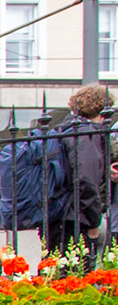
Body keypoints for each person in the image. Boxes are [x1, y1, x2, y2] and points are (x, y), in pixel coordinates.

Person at [45, 83, 114, 255]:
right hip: (75, 218)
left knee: (55, 264)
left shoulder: (65, 128)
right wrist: (93, 221)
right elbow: (85, 180)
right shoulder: (86, 133)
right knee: (79, 267)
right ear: (102, 110)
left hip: (58, 213)